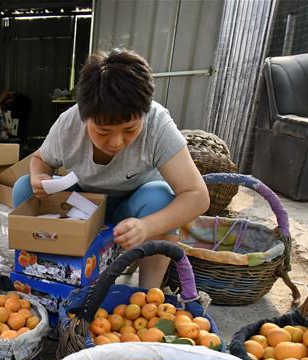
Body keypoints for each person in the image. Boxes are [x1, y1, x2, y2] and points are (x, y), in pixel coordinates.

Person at [16, 49, 209, 288]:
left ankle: (148, 296)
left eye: (130, 130)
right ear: (84, 116)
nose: (116, 142)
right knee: (24, 188)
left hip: (132, 209)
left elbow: (197, 195)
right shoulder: (68, 124)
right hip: (83, 205)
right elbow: (39, 159)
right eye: (103, 132)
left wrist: (147, 226)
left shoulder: (158, 124)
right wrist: (39, 176)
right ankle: (43, 275)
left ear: (144, 113)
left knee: (160, 197)